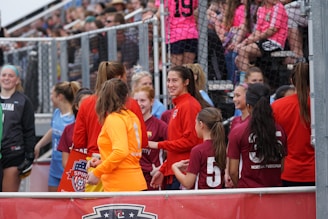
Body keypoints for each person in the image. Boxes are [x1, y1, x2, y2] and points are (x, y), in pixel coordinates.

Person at [73, 61, 148, 192]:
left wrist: (98, 170)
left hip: (115, 177)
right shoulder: (131, 112)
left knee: (92, 210)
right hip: (130, 175)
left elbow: (79, 142)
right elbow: (141, 144)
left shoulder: (111, 117)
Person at [148, 66, 204, 190]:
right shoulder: (180, 105)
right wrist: (163, 170)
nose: (170, 84)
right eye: (168, 80)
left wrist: (157, 145)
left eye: (174, 80)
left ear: (186, 82)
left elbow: (191, 141)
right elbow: (177, 145)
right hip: (175, 172)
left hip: (183, 173)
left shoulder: (189, 105)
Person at [87, 78, 147, 192]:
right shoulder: (131, 116)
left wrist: (97, 172)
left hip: (120, 186)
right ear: (126, 96)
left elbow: (120, 152)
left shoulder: (114, 119)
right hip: (134, 182)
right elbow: (127, 155)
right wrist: (102, 162)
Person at [227, 83, 287, 188]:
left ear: (248, 106)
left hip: (249, 191)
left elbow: (233, 171)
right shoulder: (280, 130)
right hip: (274, 191)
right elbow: (281, 167)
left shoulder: (238, 131)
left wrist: (241, 187)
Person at [272, 62, 314, 186]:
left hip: (288, 171)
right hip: (317, 171)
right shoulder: (321, 105)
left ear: (291, 80)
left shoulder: (277, 106)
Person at [34, 81, 81, 192]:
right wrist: (39, 145)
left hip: (68, 166)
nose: (50, 97)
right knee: (53, 201)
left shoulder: (74, 118)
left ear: (59, 97)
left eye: (52, 94)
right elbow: (54, 130)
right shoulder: (56, 113)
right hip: (55, 166)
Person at [0, 65, 36, 192]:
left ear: (17, 80)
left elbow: (29, 130)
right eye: (4, 75)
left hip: (13, 153)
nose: (6, 78)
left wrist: (29, 154)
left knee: (7, 198)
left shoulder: (23, 101)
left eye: (10, 75)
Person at [172, 107, 226, 189]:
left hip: (202, 198)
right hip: (218, 197)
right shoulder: (222, 147)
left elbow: (188, 183)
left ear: (201, 124)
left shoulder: (198, 150)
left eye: (195, 123)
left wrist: (174, 168)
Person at [235, 0, 288, 73]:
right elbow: (257, 31)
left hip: (274, 43)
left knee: (243, 51)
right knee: (238, 58)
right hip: (262, 41)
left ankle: (246, 82)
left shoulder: (278, 7)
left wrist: (254, 39)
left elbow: (272, 30)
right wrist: (244, 42)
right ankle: (253, 78)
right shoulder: (261, 9)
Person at [133, 86, 168, 190]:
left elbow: (173, 149)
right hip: (133, 176)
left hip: (152, 178)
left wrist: (161, 169)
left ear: (152, 101)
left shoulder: (160, 126)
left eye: (143, 100)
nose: (139, 104)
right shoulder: (129, 124)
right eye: (136, 101)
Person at [154, 0, 199, 66]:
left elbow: (160, 12)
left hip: (175, 34)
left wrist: (152, 17)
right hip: (191, 32)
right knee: (188, 68)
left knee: (176, 69)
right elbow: (195, 8)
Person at [57, 88, 93, 168]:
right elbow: (65, 162)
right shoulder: (68, 130)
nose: (88, 106)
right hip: (75, 176)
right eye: (85, 103)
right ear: (77, 106)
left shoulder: (99, 128)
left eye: (91, 103)